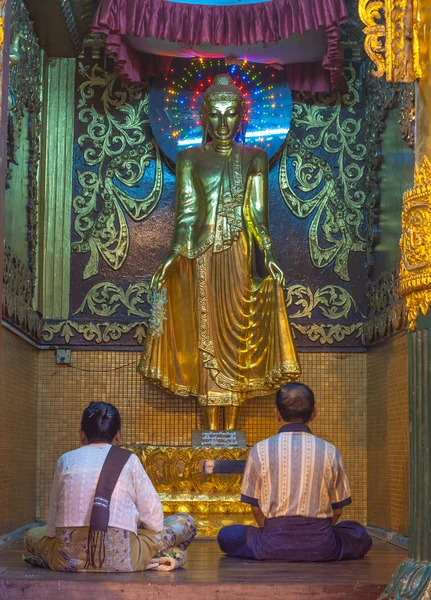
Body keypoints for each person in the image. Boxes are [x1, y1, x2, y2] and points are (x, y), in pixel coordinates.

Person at [138, 74, 300, 431]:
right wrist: (172, 255)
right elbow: (187, 213)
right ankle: (212, 430)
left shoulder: (255, 156)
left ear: (242, 117)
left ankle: (233, 429)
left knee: (239, 334)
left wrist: (269, 255)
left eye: (231, 114)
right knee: (206, 333)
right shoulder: (189, 158)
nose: (223, 122)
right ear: (204, 117)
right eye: (216, 114)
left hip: (239, 252)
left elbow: (257, 213)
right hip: (202, 255)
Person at [24, 402, 196, 572]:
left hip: (67, 559)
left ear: (82, 434)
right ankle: (164, 553)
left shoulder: (66, 460)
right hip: (124, 559)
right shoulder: (130, 460)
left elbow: (52, 526)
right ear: (118, 435)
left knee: (31, 535)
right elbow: (154, 519)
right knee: (186, 522)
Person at [217, 383, 372, 561]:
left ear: (276, 413)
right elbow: (337, 511)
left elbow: (256, 508)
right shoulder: (330, 451)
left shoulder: (260, 450)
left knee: (227, 535)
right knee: (358, 533)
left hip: (271, 544)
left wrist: (276, 534)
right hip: (322, 545)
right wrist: (312, 535)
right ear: (314, 414)